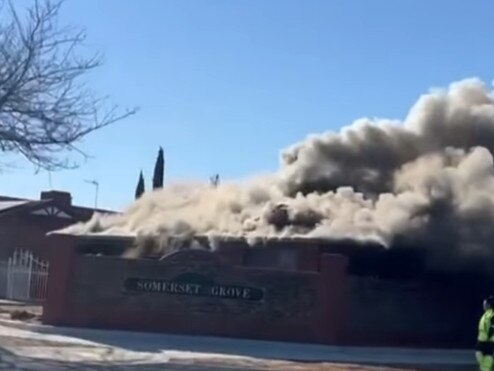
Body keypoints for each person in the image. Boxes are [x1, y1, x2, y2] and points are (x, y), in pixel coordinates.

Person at [477, 295, 494, 371]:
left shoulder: (491, 314)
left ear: (489, 305)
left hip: (487, 341)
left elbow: (492, 326)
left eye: (485, 304)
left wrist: (489, 335)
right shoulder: (487, 314)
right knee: (483, 356)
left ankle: (485, 368)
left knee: (485, 358)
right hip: (483, 340)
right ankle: (485, 368)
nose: (484, 305)